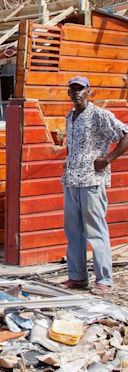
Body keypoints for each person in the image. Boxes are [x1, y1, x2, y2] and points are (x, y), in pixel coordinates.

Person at [61, 76, 128, 295]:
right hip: (72, 180)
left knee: (96, 231)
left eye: (80, 89)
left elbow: (125, 135)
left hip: (92, 181)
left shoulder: (100, 115)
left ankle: (104, 280)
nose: (76, 93)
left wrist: (107, 159)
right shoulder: (70, 117)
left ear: (89, 91)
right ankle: (77, 277)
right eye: (73, 90)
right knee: (73, 232)